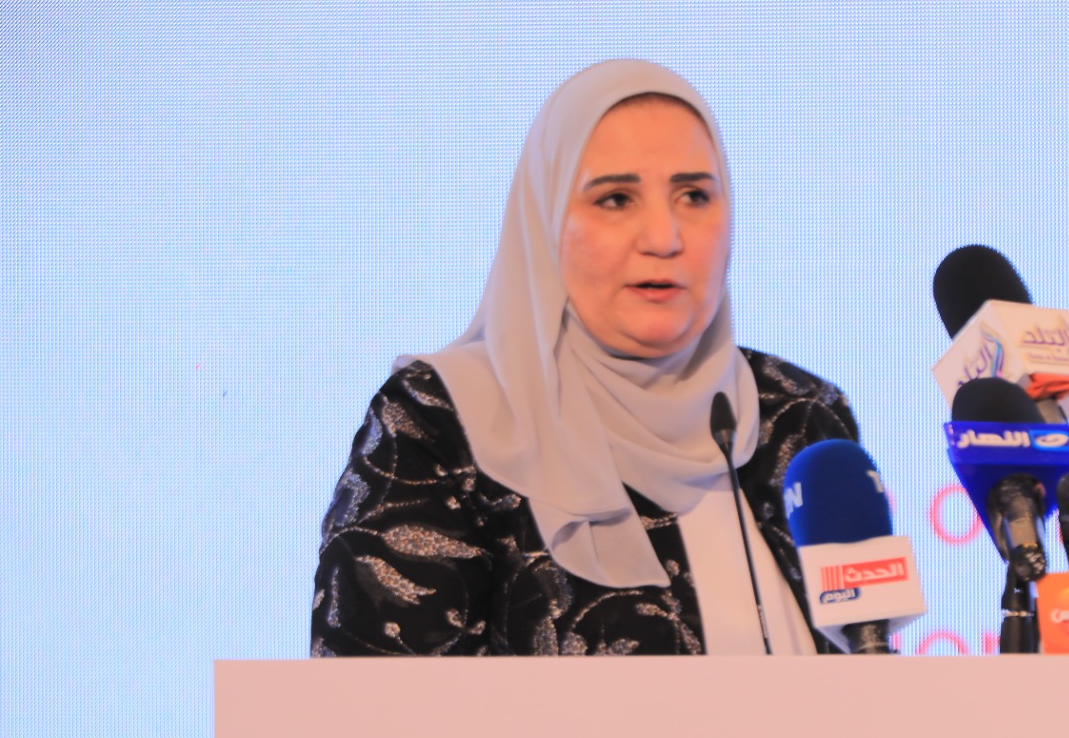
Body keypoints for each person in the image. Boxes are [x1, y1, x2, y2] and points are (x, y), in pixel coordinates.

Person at [311, 59, 859, 657]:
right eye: (616, 198)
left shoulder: (797, 416)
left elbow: (871, 671)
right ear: (545, 222)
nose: (664, 237)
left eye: (694, 196)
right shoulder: (444, 422)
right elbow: (374, 702)